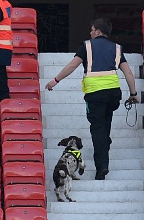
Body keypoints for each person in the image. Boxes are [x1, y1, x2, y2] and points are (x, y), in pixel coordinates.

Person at [46, 18, 139, 180]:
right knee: (105, 125)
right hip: (113, 94)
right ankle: (105, 147)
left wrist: (55, 81)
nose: (90, 33)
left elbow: (72, 65)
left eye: (91, 30)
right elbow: (128, 73)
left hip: (95, 94)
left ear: (97, 32)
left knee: (97, 130)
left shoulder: (87, 46)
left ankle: (101, 167)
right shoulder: (117, 48)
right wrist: (133, 94)